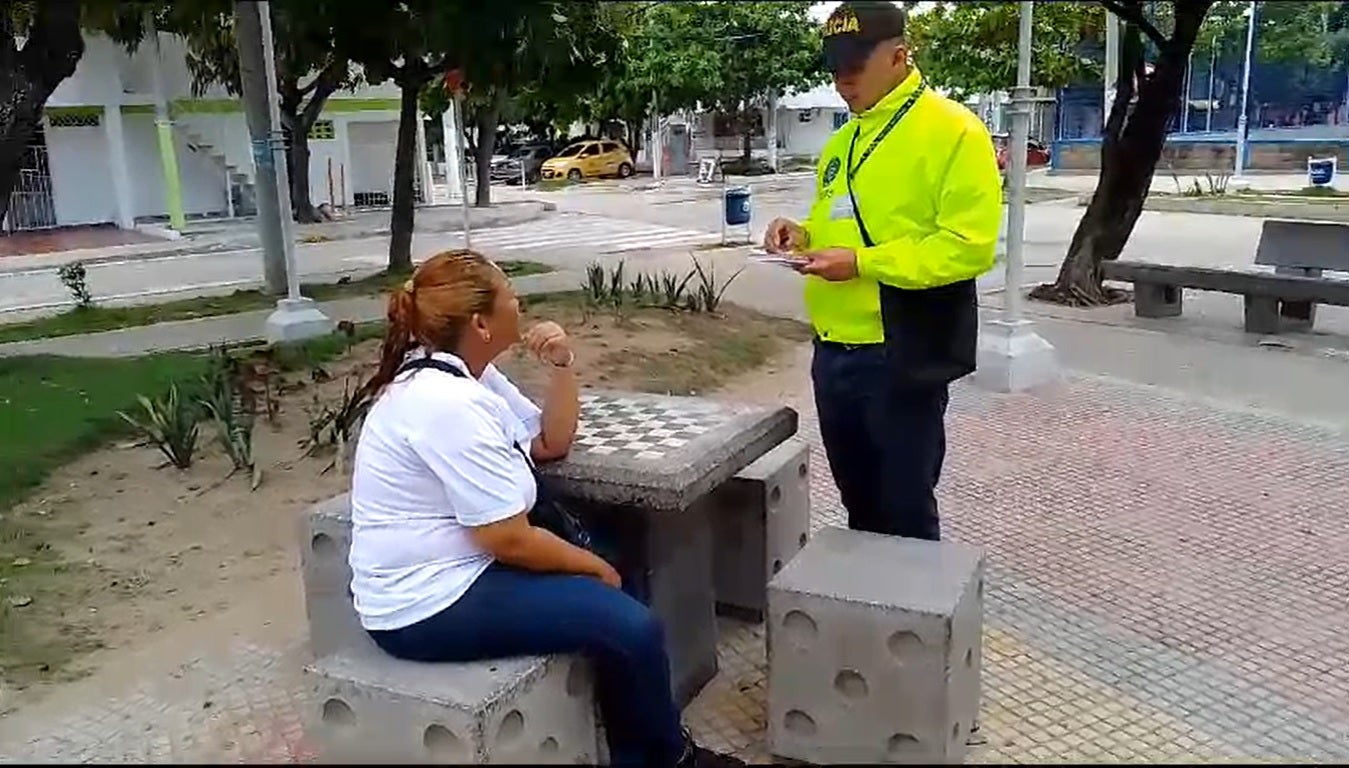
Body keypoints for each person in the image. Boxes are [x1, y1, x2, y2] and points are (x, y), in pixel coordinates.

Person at [347, 249, 743, 768]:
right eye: (510, 295)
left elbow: (550, 443)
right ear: (481, 322)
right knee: (631, 623)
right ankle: (667, 758)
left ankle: (633, 739)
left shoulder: (470, 376)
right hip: (426, 603)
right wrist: (593, 569)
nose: (521, 302)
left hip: (466, 567)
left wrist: (560, 366)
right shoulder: (443, 404)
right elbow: (506, 538)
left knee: (622, 558)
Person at [764, 1, 1002, 542]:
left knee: (905, 509)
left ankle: (913, 622)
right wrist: (801, 235)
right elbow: (840, 223)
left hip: (898, 352)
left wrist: (863, 264)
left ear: (899, 56)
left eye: (854, 66)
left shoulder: (953, 131)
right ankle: (868, 620)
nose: (841, 81)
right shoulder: (841, 143)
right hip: (832, 353)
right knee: (858, 506)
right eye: (834, 68)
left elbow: (968, 247)